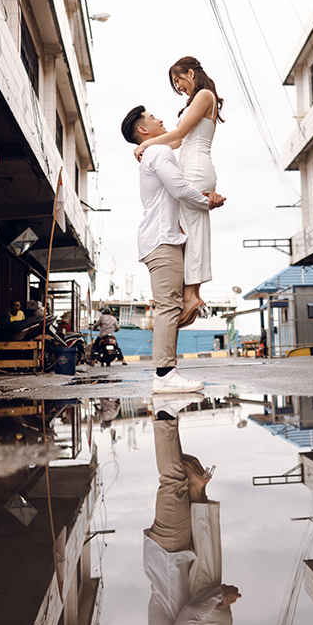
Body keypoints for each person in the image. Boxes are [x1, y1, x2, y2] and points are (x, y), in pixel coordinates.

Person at [134, 398, 239, 625]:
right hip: (173, 558)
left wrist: (220, 594)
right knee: (177, 482)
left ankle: (166, 413)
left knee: (172, 481)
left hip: (170, 555)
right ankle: (168, 415)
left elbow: (192, 614)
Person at [123, 105, 226, 394]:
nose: (161, 119)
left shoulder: (154, 150)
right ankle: (165, 374)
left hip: (162, 238)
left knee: (170, 305)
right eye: (153, 118)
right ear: (143, 130)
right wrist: (208, 203)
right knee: (168, 306)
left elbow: (179, 188)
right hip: (161, 241)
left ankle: (166, 371)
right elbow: (180, 188)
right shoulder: (158, 152)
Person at [134, 57, 224, 327]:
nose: (179, 86)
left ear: (191, 73)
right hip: (193, 164)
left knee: (191, 230)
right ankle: (192, 294)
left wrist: (144, 146)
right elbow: (177, 139)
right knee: (189, 228)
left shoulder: (205, 95)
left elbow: (181, 131)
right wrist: (150, 146)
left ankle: (192, 296)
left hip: (196, 167)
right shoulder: (201, 99)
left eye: (179, 80)